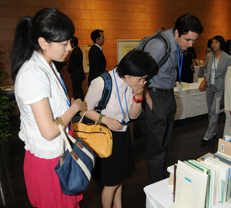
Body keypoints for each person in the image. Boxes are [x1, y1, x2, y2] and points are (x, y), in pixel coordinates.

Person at [11, 7, 85, 208]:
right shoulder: (33, 73)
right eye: (64, 43)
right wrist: (75, 106)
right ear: (43, 42)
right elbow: (49, 131)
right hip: (48, 162)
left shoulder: (48, 64)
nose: (69, 48)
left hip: (57, 154)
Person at [84, 50, 158, 208]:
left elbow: (132, 115)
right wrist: (105, 119)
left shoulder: (132, 84)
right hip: (104, 135)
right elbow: (84, 110)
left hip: (121, 133)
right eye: (141, 78)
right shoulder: (102, 82)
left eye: (145, 78)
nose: (143, 82)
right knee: (111, 182)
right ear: (129, 72)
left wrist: (138, 97)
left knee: (119, 177)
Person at [143, 13, 203, 184]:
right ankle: (154, 184)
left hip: (168, 95)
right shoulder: (158, 46)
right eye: (187, 40)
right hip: (155, 95)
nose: (190, 45)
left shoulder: (178, 44)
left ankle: (159, 178)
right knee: (156, 147)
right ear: (176, 33)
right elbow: (138, 75)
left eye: (194, 40)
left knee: (164, 143)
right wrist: (150, 102)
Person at [202, 36, 231, 142]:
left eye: (216, 42)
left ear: (221, 44)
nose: (213, 44)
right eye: (212, 42)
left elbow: (229, 74)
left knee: (215, 111)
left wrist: (226, 90)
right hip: (210, 86)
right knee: (210, 111)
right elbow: (206, 69)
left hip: (220, 87)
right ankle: (214, 130)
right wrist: (206, 78)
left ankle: (208, 135)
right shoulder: (209, 56)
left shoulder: (228, 58)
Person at [68, 36, 86, 101]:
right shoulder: (78, 50)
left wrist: (69, 70)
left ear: (73, 43)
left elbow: (72, 64)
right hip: (78, 75)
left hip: (76, 75)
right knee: (78, 90)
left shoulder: (75, 52)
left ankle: (79, 106)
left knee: (77, 91)